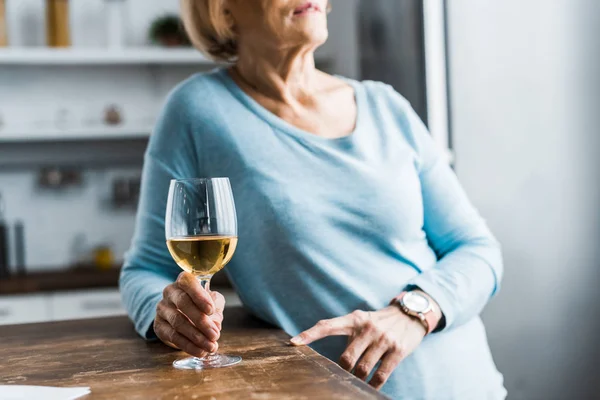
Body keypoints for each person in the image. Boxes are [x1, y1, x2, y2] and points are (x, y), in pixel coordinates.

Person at [119, 0, 506, 398]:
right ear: (224, 10)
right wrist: (166, 313)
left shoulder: (386, 106)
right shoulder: (197, 111)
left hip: (465, 382)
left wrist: (413, 312)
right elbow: (145, 269)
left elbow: (477, 249)